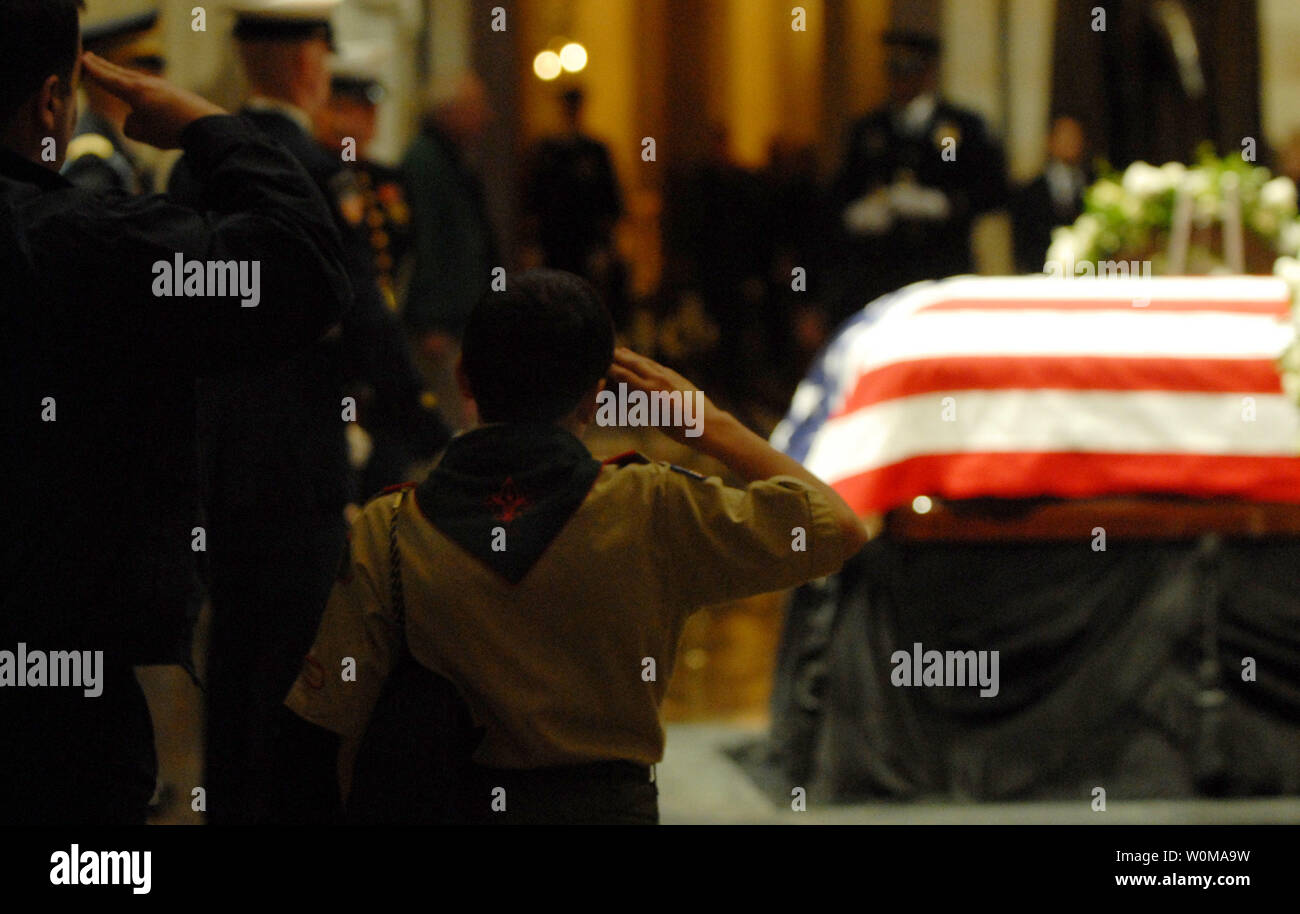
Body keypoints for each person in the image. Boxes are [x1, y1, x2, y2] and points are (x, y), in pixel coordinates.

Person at [285, 270, 869, 824]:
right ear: (596, 397)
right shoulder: (654, 509)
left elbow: (323, 726)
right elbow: (835, 526)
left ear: (463, 377)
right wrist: (708, 424)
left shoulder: (389, 529)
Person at [0, 0, 350, 824]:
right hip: (55, 685)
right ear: (52, 102)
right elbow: (297, 272)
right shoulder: (75, 243)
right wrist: (210, 127)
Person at [166, 0, 448, 824]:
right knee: (299, 666)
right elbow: (365, 319)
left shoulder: (194, 171)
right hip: (298, 458)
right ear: (305, 65)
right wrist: (429, 428)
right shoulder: (314, 172)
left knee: (233, 659)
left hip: (220, 456)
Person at [829, 30, 1007, 318]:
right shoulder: (870, 129)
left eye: (910, 69)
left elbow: (994, 191)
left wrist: (942, 204)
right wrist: (859, 213)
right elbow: (842, 192)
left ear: (928, 72)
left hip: (943, 266)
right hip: (881, 271)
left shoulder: (963, 126)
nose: (900, 80)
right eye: (894, 70)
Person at [522, 87, 626, 325]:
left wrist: (606, 244)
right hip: (554, 240)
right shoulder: (546, 150)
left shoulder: (594, 151)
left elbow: (609, 200)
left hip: (585, 241)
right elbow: (534, 200)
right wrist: (532, 243)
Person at [61, 7, 166, 194]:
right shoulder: (92, 159)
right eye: (147, 62)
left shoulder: (113, 143)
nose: (159, 74)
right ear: (104, 74)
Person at [1011, 115, 1089, 273]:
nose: (1070, 143)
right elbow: (1023, 243)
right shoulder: (1030, 191)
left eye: (1075, 136)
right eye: (1064, 136)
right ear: (1050, 140)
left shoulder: (1095, 183)